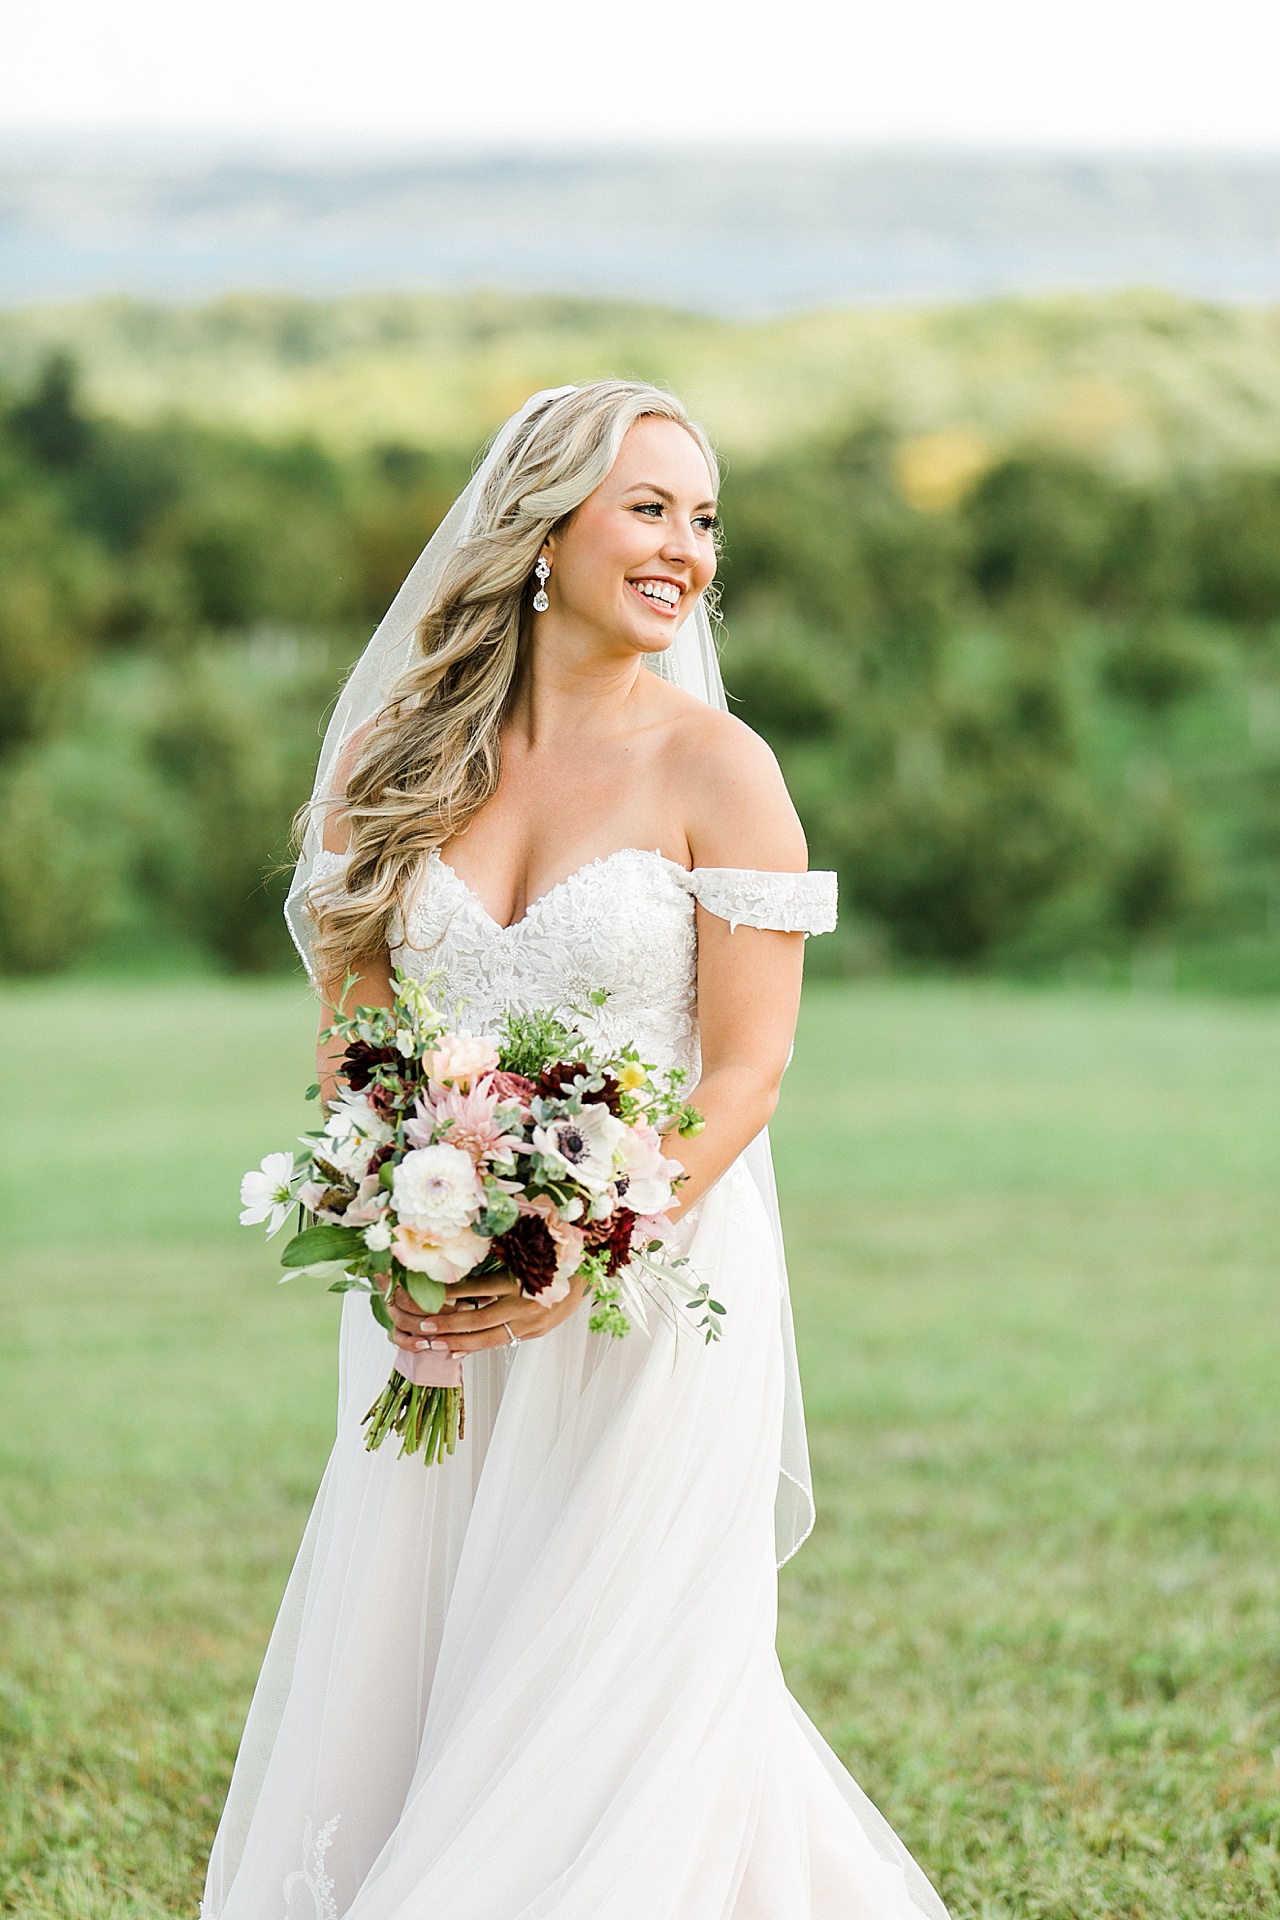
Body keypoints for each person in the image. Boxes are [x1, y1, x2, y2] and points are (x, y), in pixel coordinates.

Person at [203, 382, 949, 1920]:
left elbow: (749, 1068)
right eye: (650, 508)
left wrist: (584, 1241)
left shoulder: (720, 771)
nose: (688, 550)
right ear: (544, 532)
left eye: (706, 519)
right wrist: (396, 1220)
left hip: (649, 1285)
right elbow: (356, 1028)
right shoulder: (395, 764)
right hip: (432, 1299)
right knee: (445, 1658)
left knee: (611, 1680)